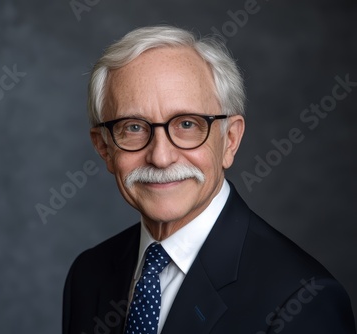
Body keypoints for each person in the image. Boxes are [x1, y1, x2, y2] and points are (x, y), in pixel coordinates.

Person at [62, 25, 355, 334]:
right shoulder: (88, 274)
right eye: (133, 128)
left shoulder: (303, 301)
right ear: (104, 148)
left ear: (229, 140)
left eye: (187, 124)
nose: (161, 157)